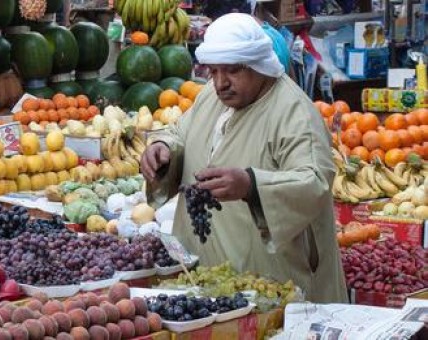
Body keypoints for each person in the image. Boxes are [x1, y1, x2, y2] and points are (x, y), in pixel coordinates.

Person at [141, 13, 347, 303]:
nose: (221, 83)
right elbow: (180, 133)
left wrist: (251, 185)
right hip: (209, 278)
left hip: (275, 286)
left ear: (258, 65)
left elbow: (314, 182)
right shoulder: (210, 97)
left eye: (233, 71)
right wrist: (162, 149)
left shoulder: (294, 114)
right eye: (213, 72)